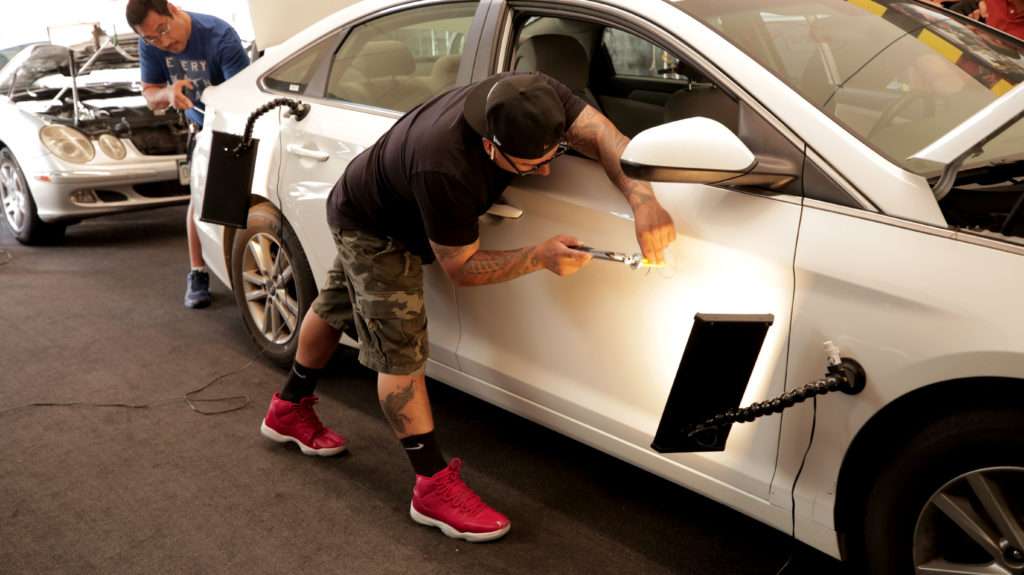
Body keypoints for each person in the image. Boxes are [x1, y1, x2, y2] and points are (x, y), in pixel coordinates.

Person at [259, 72, 677, 542]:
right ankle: (430, 487)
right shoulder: (444, 165)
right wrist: (537, 257)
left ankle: (287, 409)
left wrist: (643, 200)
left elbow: (602, 135)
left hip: (382, 192)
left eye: (552, 155)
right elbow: (460, 267)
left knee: (337, 303)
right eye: (529, 164)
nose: (544, 173)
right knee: (400, 351)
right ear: (489, 146)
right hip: (375, 226)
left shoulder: (536, 96)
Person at [126, 0, 250, 308]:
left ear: (172, 9)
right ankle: (198, 272)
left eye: (163, 30)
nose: (163, 41)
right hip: (199, 128)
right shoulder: (150, 44)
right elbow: (150, 94)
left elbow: (244, 98)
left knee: (239, 200)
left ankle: (246, 269)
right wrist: (168, 93)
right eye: (151, 38)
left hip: (232, 126)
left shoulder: (220, 37)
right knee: (199, 199)